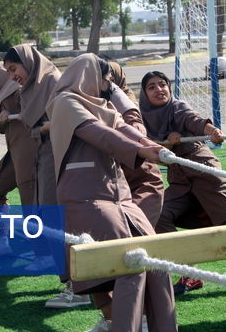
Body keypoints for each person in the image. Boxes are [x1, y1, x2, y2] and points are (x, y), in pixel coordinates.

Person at [47, 53, 177, 332]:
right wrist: (142, 151)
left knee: (156, 263)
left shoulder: (104, 105)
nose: (109, 83)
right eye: (106, 77)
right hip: (86, 199)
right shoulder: (65, 103)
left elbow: (126, 130)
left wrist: (149, 145)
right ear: (91, 76)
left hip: (121, 198)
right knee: (130, 265)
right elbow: (98, 133)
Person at [139, 71, 226, 293]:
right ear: (144, 93)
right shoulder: (144, 116)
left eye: (162, 84)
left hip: (205, 172)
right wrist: (166, 145)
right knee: (158, 215)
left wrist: (211, 130)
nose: (159, 90)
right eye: (152, 87)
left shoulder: (177, 107)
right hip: (180, 181)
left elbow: (192, 119)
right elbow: (145, 145)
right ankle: (190, 273)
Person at [4, 45, 90, 308]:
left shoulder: (52, 80)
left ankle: (81, 287)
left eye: (13, 68)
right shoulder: (31, 87)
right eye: (7, 71)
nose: (11, 76)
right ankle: (73, 284)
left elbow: (76, 111)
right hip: (44, 154)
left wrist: (46, 127)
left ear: (28, 63)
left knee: (58, 218)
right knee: (48, 216)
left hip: (60, 154)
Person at [0, 61, 37, 255]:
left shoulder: (19, 89)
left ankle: (44, 253)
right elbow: (0, 127)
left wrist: (13, 113)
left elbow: (34, 109)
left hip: (31, 152)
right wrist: (5, 114)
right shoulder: (3, 92)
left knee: (31, 201)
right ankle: (0, 242)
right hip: (15, 152)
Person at [106, 60, 164, 227]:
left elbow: (134, 126)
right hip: (112, 172)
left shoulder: (123, 100)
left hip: (139, 169)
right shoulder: (85, 100)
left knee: (135, 224)